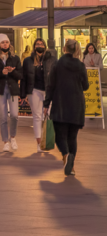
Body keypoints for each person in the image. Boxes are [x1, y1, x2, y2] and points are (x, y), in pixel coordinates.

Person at [48, 38, 89, 176]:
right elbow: (86, 86)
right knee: (73, 137)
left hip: (60, 104)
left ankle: (66, 155)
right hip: (77, 105)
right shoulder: (80, 65)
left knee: (60, 136)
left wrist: (46, 104)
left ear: (64, 49)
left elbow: (51, 86)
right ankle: (71, 166)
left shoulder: (57, 64)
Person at [0, 34, 23, 152]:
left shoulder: (15, 57)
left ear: (9, 44)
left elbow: (20, 75)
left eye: (6, 42)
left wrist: (12, 72)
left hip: (12, 89)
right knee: (3, 116)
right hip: (0, 89)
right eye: (3, 42)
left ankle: (13, 137)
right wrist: (2, 72)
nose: (5, 44)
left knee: (14, 115)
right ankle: (5, 141)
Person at [22, 37, 55, 153]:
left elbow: (56, 76)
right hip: (34, 90)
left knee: (48, 115)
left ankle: (47, 140)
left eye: (41, 44)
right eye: (37, 44)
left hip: (48, 90)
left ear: (45, 46)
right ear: (34, 46)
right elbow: (24, 78)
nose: (39, 46)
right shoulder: (28, 61)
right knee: (37, 116)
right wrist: (23, 94)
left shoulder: (52, 59)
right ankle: (39, 142)